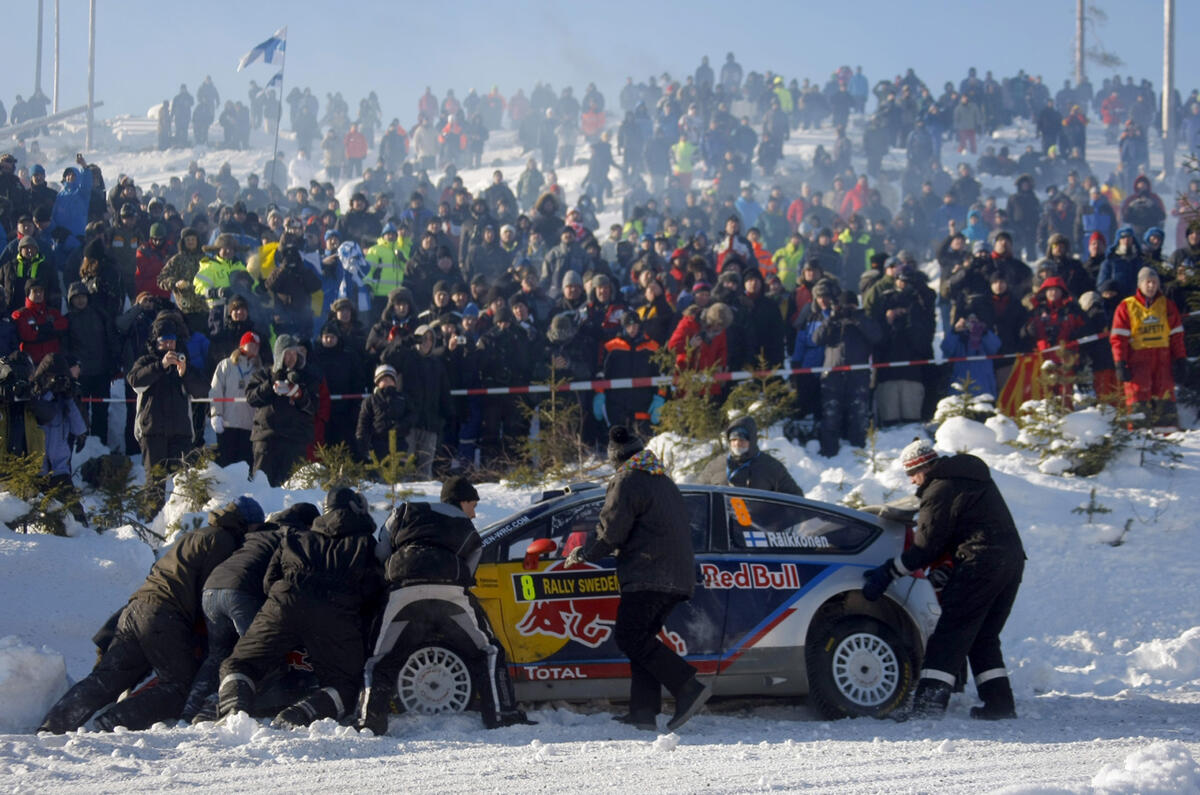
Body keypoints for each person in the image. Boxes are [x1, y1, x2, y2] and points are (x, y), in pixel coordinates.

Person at [38, 497, 265, 733]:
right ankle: (112, 722)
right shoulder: (222, 542)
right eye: (255, 529)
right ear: (246, 524)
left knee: (108, 679)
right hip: (165, 616)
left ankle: (51, 726)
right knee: (179, 686)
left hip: (135, 609)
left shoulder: (197, 535)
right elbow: (211, 592)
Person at [861, 440, 1024, 720]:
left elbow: (926, 548)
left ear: (922, 468)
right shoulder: (970, 477)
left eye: (911, 474)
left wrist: (889, 572)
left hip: (979, 563)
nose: (911, 481)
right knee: (984, 636)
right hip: (1012, 562)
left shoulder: (939, 489)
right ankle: (999, 704)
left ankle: (928, 706)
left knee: (950, 633)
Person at [562, 426, 711, 731]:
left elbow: (612, 529)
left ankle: (687, 685)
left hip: (649, 573)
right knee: (642, 640)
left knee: (630, 637)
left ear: (616, 457)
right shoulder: (663, 481)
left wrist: (585, 552)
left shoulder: (627, 480)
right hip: (675, 575)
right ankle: (643, 711)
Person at [357, 476, 532, 733]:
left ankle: (368, 722)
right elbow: (473, 562)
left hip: (403, 588)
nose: (474, 514)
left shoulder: (403, 510)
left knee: (379, 659)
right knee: (488, 652)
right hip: (449, 590)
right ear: (461, 501)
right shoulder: (463, 523)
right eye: (473, 505)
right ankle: (502, 714)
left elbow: (382, 550)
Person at [219, 488, 384, 728]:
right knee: (346, 684)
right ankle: (299, 714)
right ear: (358, 509)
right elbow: (374, 592)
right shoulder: (365, 544)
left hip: (284, 603)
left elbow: (269, 582)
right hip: (336, 614)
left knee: (238, 663)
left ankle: (234, 713)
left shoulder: (295, 538)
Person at [182, 502, 319, 723]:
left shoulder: (257, 534)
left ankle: (191, 708)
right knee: (256, 654)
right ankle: (218, 705)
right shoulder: (291, 537)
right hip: (241, 593)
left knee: (216, 655)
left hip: (211, 590)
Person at [1110, 267, 1187, 428]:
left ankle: (1169, 442)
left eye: (1154, 282)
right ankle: (1140, 442)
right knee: (1138, 402)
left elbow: (1176, 337)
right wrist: (1120, 362)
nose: (1151, 286)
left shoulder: (1167, 305)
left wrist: (1180, 359)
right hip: (1137, 363)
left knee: (1165, 401)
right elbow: (1118, 339)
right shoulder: (1126, 306)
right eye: (1148, 282)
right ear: (1140, 284)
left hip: (1162, 361)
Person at [245, 334, 319, 487]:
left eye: (294, 353)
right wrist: (271, 383)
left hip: (295, 440)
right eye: (287, 353)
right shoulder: (263, 375)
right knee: (261, 488)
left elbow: (313, 407)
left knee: (293, 489)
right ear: (279, 355)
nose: (292, 357)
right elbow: (251, 398)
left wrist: (299, 394)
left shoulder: (307, 377)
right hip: (266, 439)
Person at [695, 416, 803, 495]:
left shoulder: (771, 467)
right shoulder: (716, 466)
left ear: (752, 440)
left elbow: (796, 499)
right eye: (734, 439)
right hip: (722, 525)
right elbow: (697, 496)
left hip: (760, 525)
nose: (737, 443)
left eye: (742, 439)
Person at [209, 331, 261, 469]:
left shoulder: (258, 370)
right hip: (227, 424)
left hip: (248, 426)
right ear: (242, 345)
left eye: (257, 346)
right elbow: (216, 390)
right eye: (251, 345)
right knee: (226, 464)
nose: (254, 348)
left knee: (244, 466)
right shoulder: (226, 365)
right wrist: (216, 414)